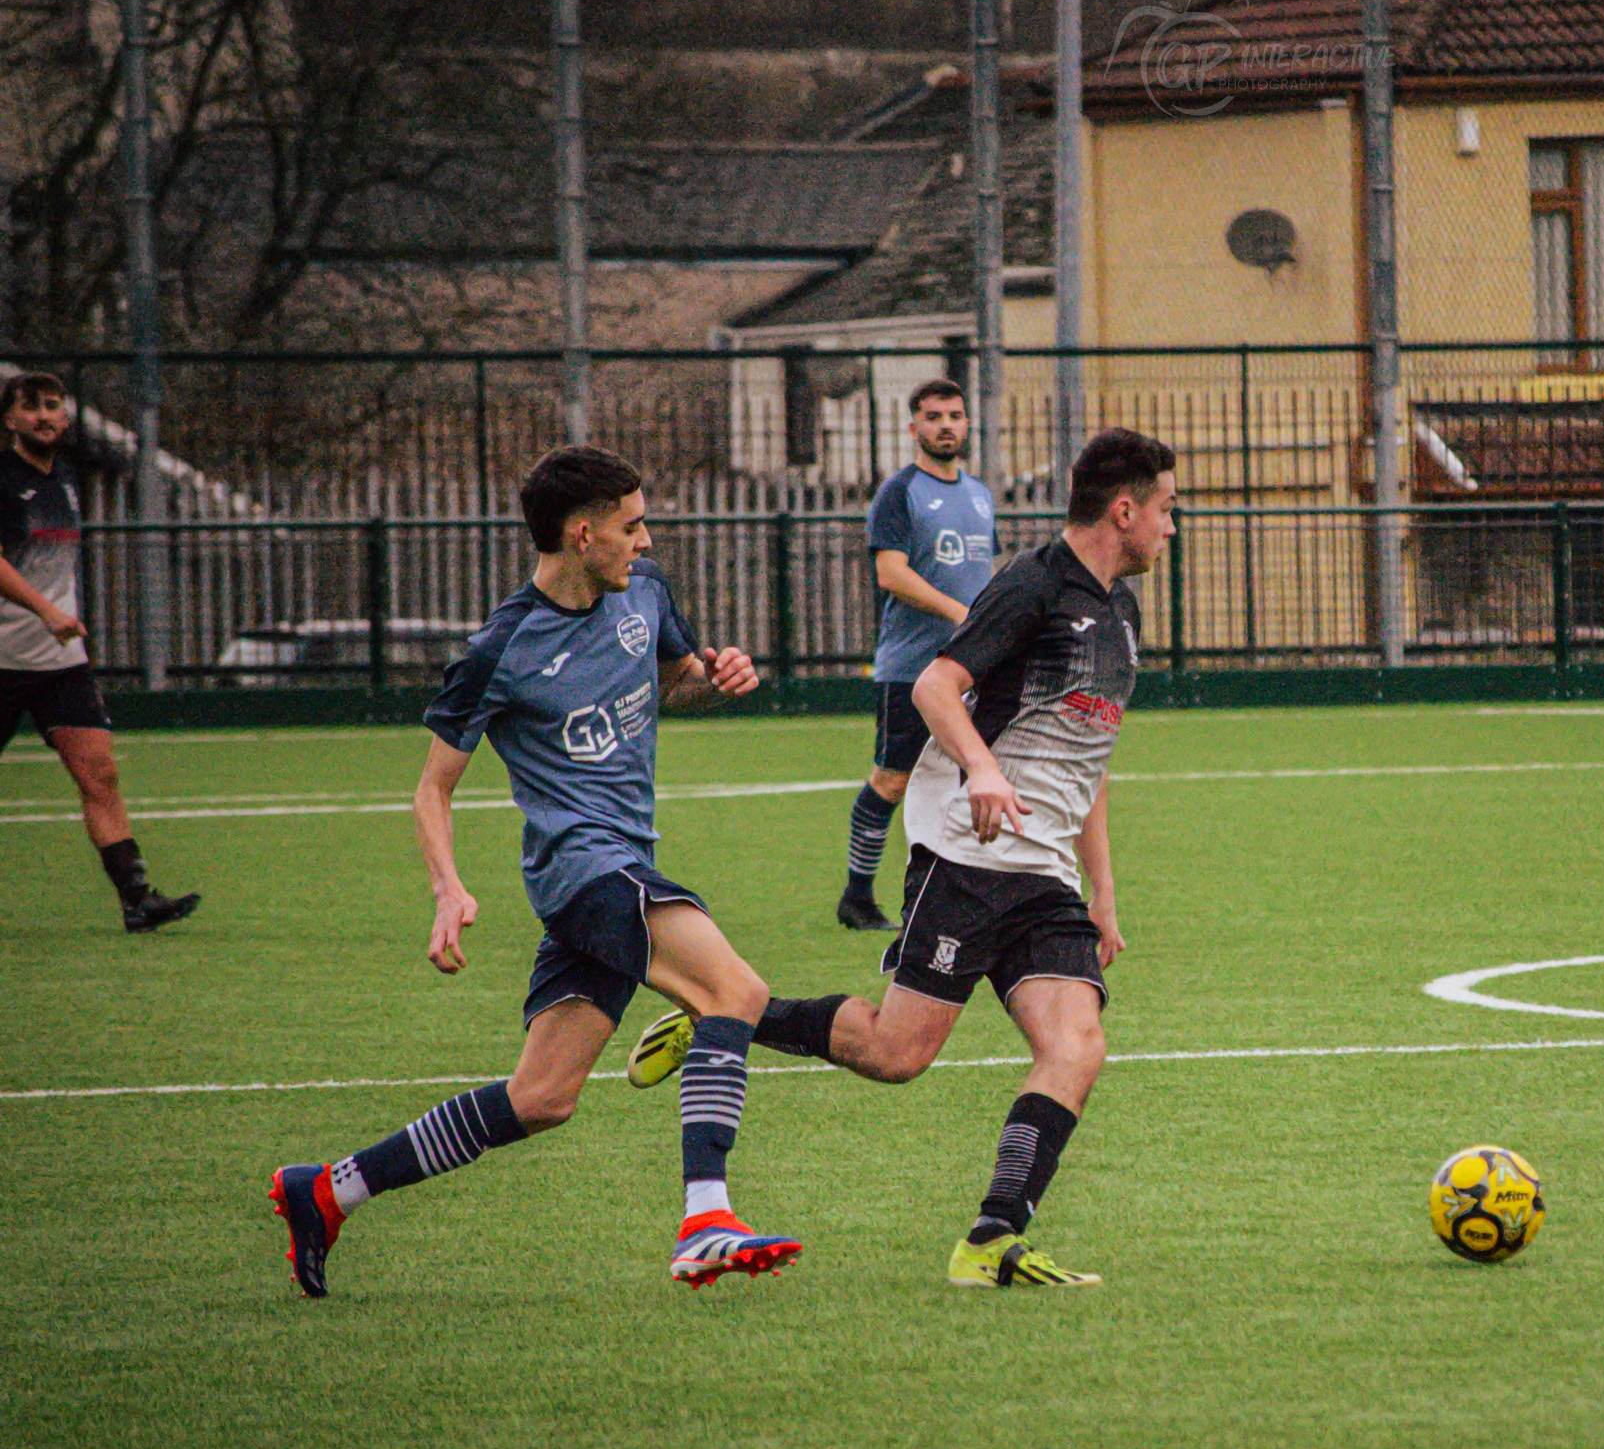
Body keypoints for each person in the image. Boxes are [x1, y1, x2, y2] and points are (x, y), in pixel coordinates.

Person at [630, 428, 1178, 1288]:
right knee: (897, 1053)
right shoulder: (1030, 587)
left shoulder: (1120, 610)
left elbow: (1087, 758)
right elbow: (933, 686)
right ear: (1124, 509)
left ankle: (992, 1238)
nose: (1170, 528)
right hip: (966, 855)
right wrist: (985, 767)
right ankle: (728, 1012)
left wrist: (1103, 892)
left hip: (1045, 880)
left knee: (1077, 1045)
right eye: (1166, 509)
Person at [267, 445, 801, 1299]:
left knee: (542, 1096)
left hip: (624, 861)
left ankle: (329, 1189)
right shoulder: (501, 647)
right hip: (585, 871)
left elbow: (676, 682)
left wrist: (718, 675)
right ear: (581, 534)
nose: (646, 538)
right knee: (732, 991)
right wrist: (448, 885)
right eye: (631, 526)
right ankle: (707, 1217)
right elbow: (432, 788)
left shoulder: (646, 591)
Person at [0, 371, 199, 933]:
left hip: (59, 663)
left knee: (100, 774)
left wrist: (55, 620)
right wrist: (46, 609)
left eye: (53, 406)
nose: (44, 416)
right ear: (10, 419)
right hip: (4, 658)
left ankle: (138, 899)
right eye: (30, 408)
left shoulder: (63, 479)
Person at [839, 377, 997, 931]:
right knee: (892, 780)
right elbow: (891, 572)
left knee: (971, 778)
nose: (946, 425)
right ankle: (857, 895)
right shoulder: (899, 492)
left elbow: (983, 575)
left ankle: (955, 897)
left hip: (972, 668)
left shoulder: (979, 494)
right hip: (911, 667)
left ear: (967, 423)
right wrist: (960, 614)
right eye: (934, 417)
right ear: (914, 427)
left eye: (955, 415)